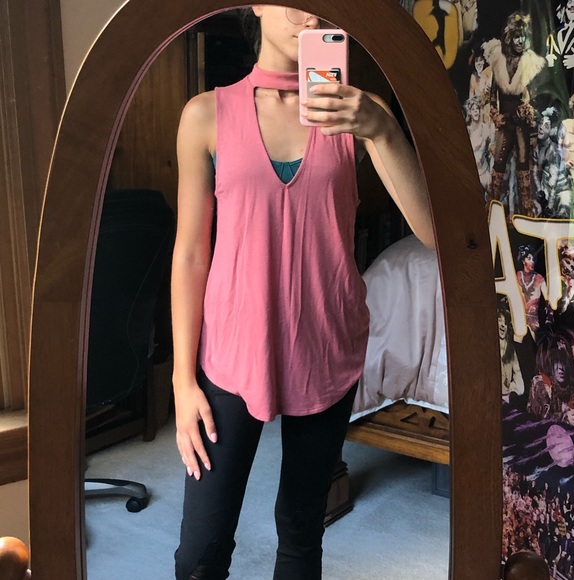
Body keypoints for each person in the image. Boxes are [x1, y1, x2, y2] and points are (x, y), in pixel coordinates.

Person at [170, 6, 434, 580]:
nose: (311, 13)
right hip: (230, 354)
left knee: (301, 532)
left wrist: (383, 129)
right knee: (199, 553)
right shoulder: (205, 115)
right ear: (256, 6)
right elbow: (190, 254)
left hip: (326, 345)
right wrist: (181, 380)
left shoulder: (360, 113)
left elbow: (431, 233)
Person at [483, 12, 545, 217]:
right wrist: (495, 114)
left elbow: (534, 97)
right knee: (498, 166)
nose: (520, 41)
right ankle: (491, 209)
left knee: (523, 166)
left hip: (521, 125)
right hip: (504, 124)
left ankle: (526, 211)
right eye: (517, 36)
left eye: (523, 37)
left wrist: (526, 111)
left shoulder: (529, 63)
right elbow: (492, 95)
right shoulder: (499, 61)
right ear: (509, 37)